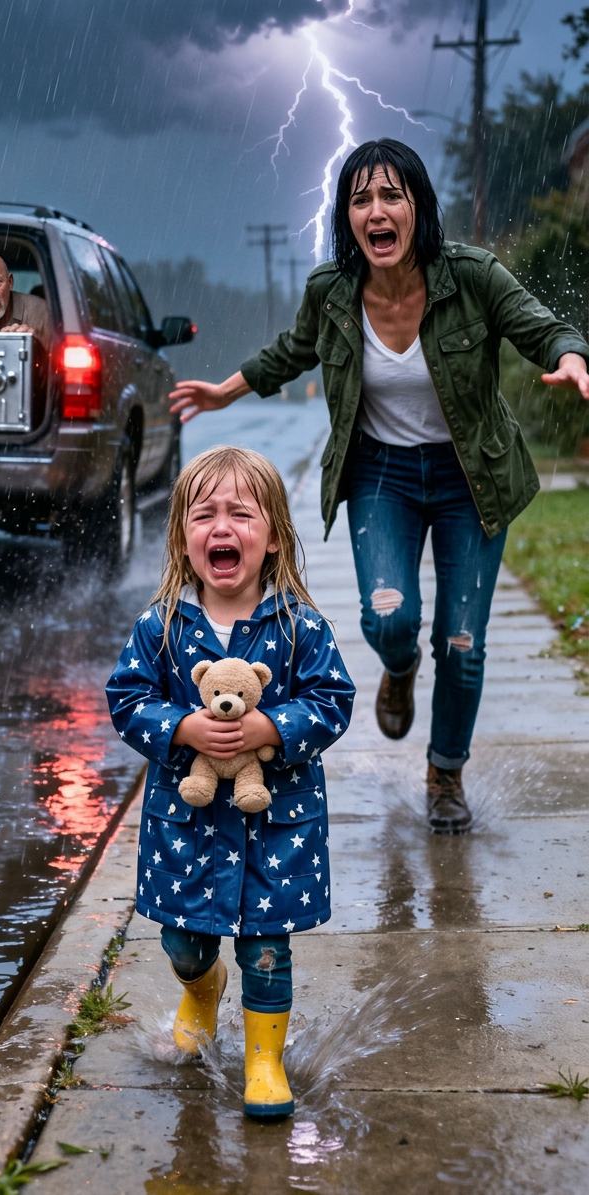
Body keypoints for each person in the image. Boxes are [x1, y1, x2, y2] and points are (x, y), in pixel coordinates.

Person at [170, 138, 589, 834]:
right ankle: (398, 667)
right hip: (381, 476)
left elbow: (543, 328)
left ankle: (445, 771)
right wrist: (226, 391)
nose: (376, 210)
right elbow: (290, 351)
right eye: (360, 198)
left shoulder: (473, 275)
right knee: (391, 616)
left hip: (470, 478)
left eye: (391, 194)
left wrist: (572, 359)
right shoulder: (333, 293)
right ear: (348, 217)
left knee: (461, 640)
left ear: (418, 205)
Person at [106, 447, 355, 1118]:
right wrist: (183, 729)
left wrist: (269, 727)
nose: (222, 525)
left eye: (241, 513)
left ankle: (264, 1061)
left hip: (276, 825)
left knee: (267, 949)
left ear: (272, 536)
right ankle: (201, 989)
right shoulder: (160, 627)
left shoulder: (299, 628)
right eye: (205, 513)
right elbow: (126, 699)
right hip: (186, 827)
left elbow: (333, 699)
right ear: (185, 540)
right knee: (183, 940)